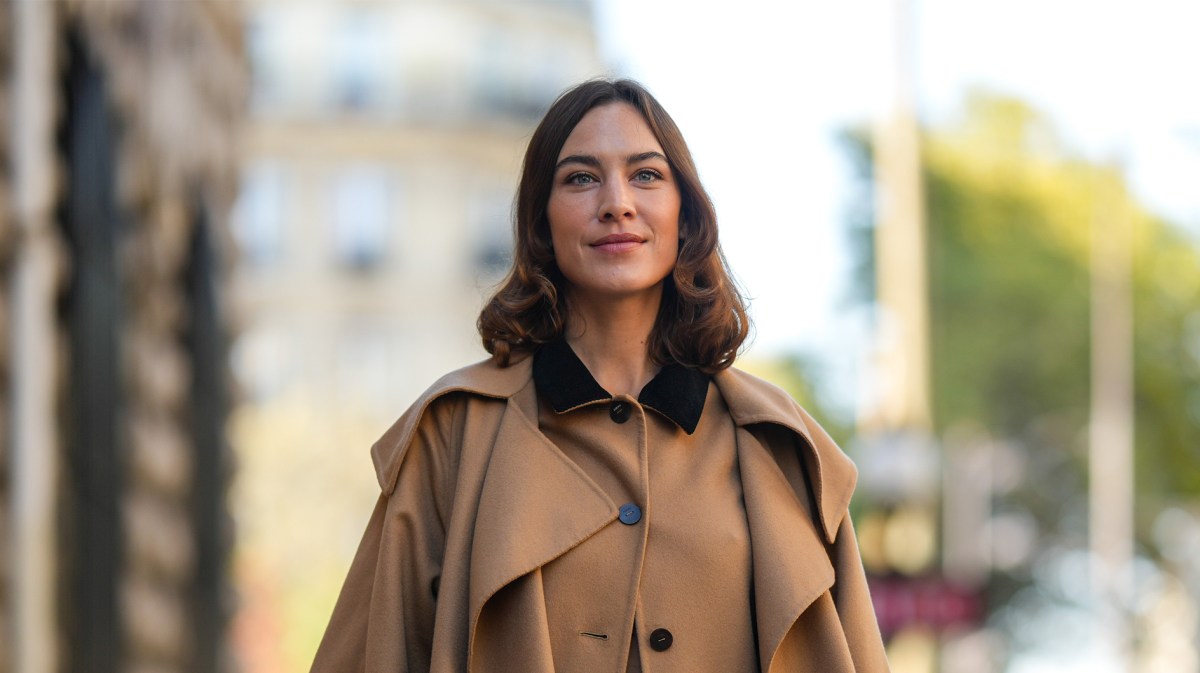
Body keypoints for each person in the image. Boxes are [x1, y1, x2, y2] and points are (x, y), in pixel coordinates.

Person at [311, 78, 890, 673]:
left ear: (685, 217)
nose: (617, 202)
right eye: (581, 178)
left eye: (646, 175)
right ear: (541, 222)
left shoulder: (781, 447)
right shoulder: (453, 433)